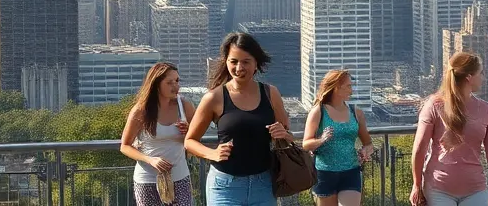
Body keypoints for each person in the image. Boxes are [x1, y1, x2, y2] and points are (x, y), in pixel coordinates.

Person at [184, 32, 295, 206]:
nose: (239, 68)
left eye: (245, 62)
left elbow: (287, 136)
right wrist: (212, 153)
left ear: (256, 63)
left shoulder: (271, 93)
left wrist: (284, 134)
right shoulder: (214, 98)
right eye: (233, 61)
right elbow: (190, 141)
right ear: (226, 62)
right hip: (225, 186)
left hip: (263, 184)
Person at [410, 52, 488, 206]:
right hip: (438, 190)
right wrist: (416, 185)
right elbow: (419, 149)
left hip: (475, 190)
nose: (483, 78)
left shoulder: (485, 109)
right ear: (469, 77)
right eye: (480, 73)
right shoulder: (435, 105)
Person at [119, 62, 196, 206]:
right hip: (148, 179)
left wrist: (189, 131)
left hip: (180, 176)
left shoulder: (185, 105)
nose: (176, 86)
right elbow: (125, 146)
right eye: (169, 82)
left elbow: (196, 140)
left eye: (177, 81)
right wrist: (150, 160)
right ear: (156, 84)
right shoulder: (141, 110)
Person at [302, 70, 373, 206]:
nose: (351, 90)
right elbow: (306, 144)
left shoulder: (355, 112)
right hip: (325, 173)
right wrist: (322, 139)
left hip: (351, 171)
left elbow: (368, 143)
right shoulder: (319, 111)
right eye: (348, 86)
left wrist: (366, 151)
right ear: (336, 87)